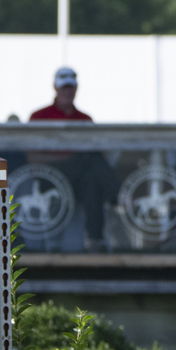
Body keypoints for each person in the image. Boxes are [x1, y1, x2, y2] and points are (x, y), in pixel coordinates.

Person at [29, 67, 113, 251]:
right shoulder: (39, 117)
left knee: (92, 180)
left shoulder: (85, 118)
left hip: (79, 180)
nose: (68, 92)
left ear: (76, 89)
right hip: (49, 176)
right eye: (64, 88)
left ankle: (94, 240)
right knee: (89, 159)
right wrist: (71, 157)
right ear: (55, 88)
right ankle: (117, 194)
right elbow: (32, 157)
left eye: (71, 88)